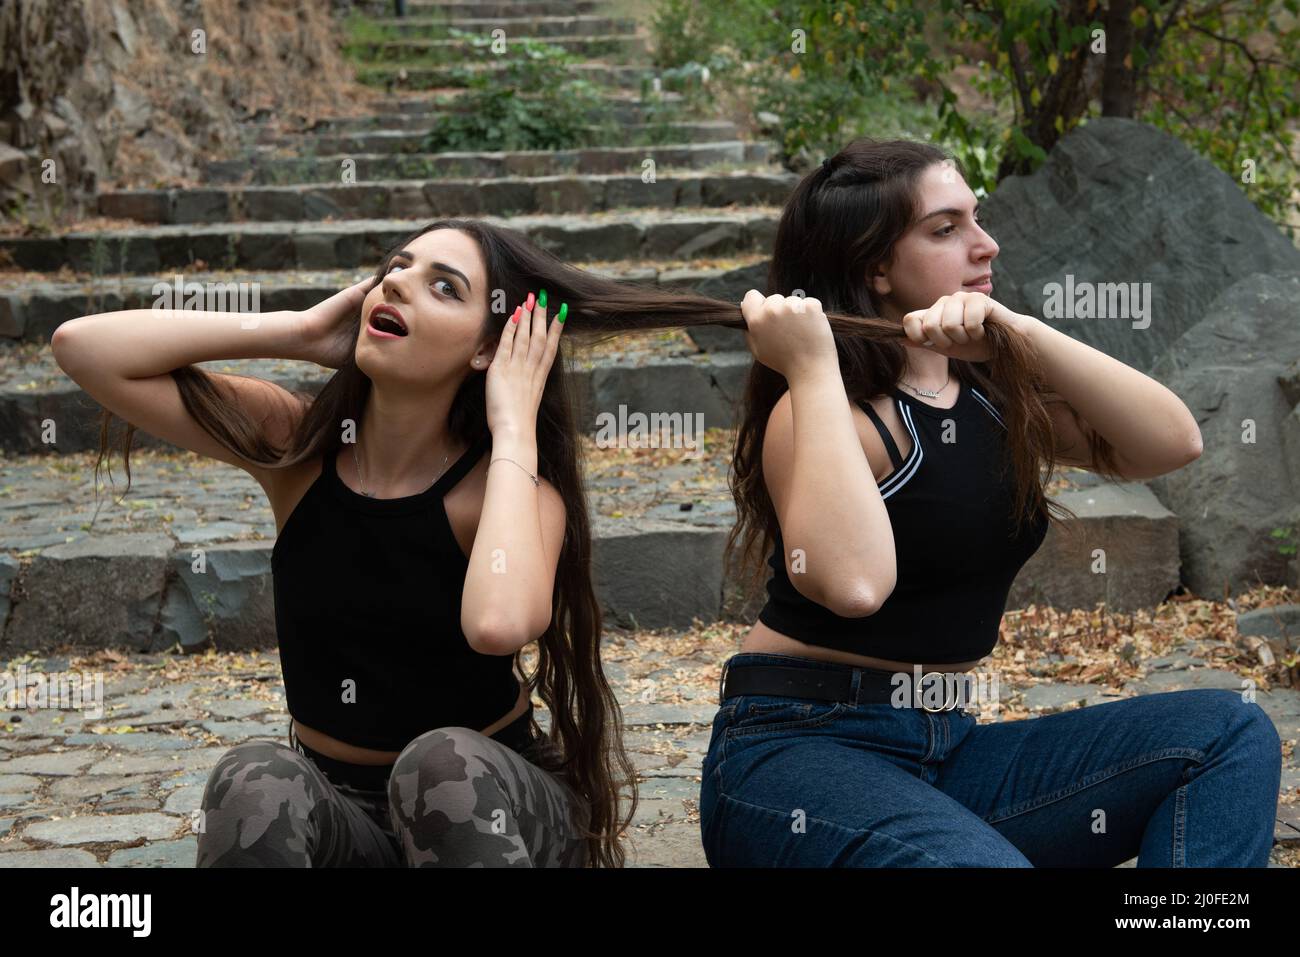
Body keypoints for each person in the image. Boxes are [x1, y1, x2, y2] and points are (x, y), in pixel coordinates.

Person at [51, 218, 744, 867]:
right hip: (342, 817)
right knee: (253, 777)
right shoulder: (297, 449)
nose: (400, 282)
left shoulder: (514, 492)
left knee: (438, 763)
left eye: (446, 285)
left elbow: (498, 623)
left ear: (485, 348)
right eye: (397, 266)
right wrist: (293, 331)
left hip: (487, 807)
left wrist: (513, 428)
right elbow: (82, 349)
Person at [699, 138, 1283, 867]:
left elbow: (1171, 441)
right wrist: (812, 367)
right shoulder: (826, 415)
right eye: (946, 230)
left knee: (1227, 733)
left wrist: (1024, 335)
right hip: (798, 755)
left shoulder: (988, 397)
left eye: (977, 219)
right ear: (874, 265)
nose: (986, 245)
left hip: (949, 750)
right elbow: (853, 583)